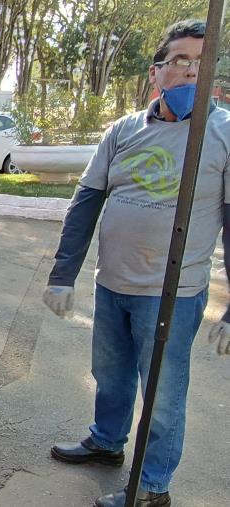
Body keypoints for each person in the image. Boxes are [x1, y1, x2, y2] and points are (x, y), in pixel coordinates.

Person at [45, 20, 230, 507]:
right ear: (157, 73)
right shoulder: (124, 130)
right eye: (181, 61)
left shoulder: (223, 134)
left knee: (164, 396)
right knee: (111, 374)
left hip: (174, 294)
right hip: (113, 285)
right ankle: (106, 441)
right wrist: (63, 275)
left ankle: (152, 489)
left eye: (202, 61)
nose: (192, 71)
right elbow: (85, 203)